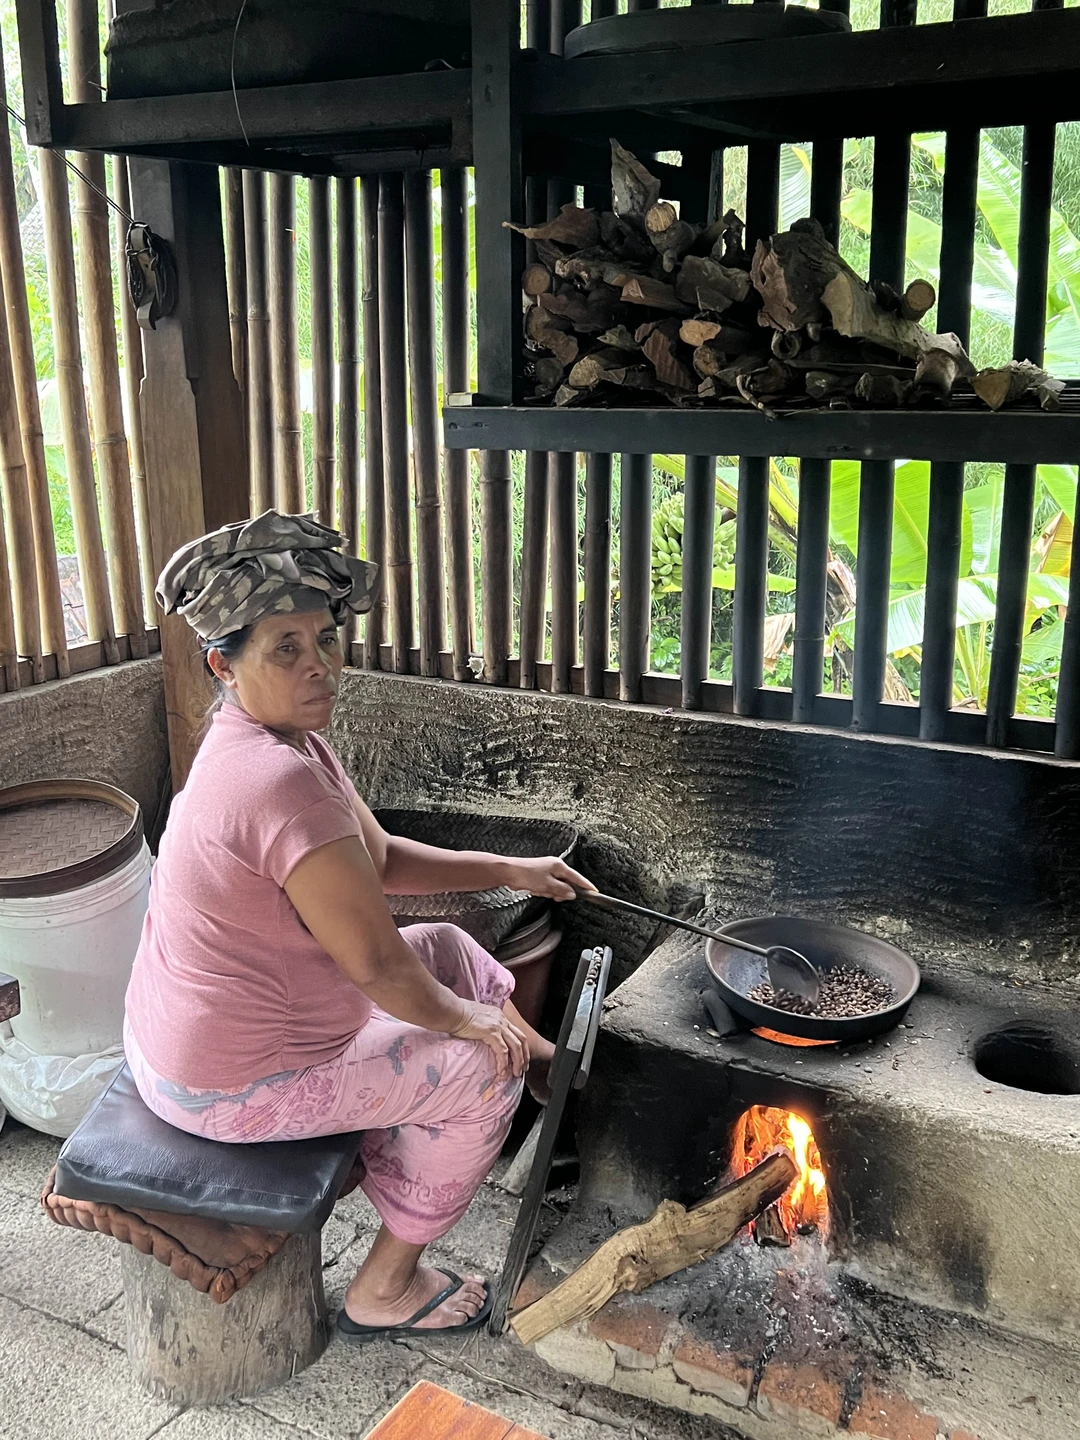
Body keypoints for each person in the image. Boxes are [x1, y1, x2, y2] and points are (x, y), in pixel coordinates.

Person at [124, 511, 593, 1341]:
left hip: (187, 1039)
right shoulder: (272, 780)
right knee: (479, 1071)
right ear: (221, 663)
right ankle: (383, 1287)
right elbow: (376, 963)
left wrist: (506, 868)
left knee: (449, 946)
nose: (322, 668)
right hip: (227, 1084)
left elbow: (376, 864)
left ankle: (544, 1066)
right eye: (287, 649)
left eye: (326, 639)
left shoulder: (284, 742)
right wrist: (465, 1020)